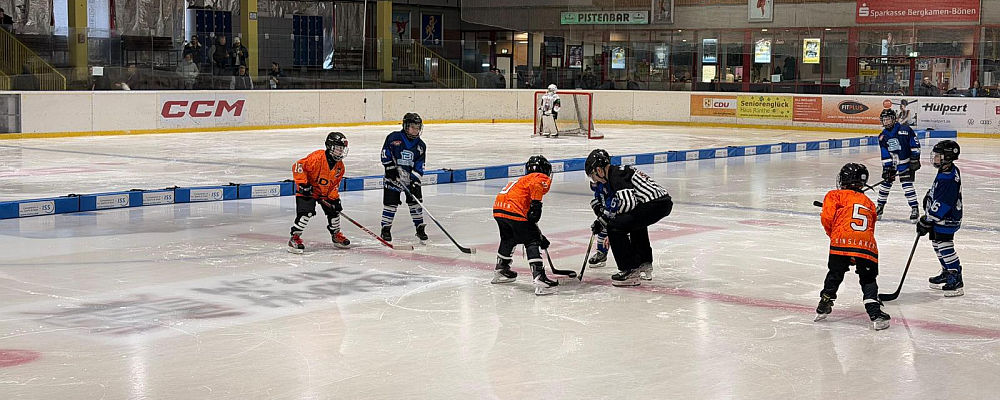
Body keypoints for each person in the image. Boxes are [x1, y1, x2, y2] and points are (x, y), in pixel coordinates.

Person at [814, 163, 891, 330]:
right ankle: (875, 313)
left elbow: (827, 218)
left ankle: (824, 304)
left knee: (835, 273)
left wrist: (835, 236)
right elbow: (871, 225)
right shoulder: (868, 202)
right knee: (868, 279)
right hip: (866, 244)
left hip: (840, 241)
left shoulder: (834, 195)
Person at [586, 149, 673, 287]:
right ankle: (643, 262)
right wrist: (602, 221)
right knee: (635, 223)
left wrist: (612, 228)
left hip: (655, 204)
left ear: (599, 170)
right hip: (661, 202)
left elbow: (628, 203)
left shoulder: (616, 176)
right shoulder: (618, 171)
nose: (594, 180)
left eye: (593, 176)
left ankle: (629, 270)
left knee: (615, 227)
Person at [491, 155, 557, 295]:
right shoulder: (537, 177)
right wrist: (536, 205)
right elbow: (537, 186)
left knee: (509, 239)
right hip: (514, 210)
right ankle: (539, 277)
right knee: (532, 240)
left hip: (499, 209)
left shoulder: (521, 181)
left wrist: (539, 234)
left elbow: (528, 220)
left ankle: (501, 269)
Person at [288, 132, 351, 253]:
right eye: (338, 148)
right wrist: (303, 184)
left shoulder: (340, 167)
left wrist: (334, 200)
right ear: (329, 146)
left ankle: (336, 235)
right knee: (306, 213)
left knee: (335, 211)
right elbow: (298, 166)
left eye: (342, 149)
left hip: (324, 193)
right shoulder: (317, 157)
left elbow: (333, 186)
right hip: (308, 190)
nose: (340, 152)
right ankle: (294, 238)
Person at [918, 140, 964, 297]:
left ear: (948, 157)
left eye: (939, 156)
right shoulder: (947, 170)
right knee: (937, 244)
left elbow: (943, 202)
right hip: (941, 218)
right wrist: (929, 196)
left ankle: (956, 278)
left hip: (947, 218)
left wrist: (927, 219)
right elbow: (938, 192)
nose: (935, 158)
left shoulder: (949, 178)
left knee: (945, 245)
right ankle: (947, 272)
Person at [380, 113, 428, 243]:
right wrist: (390, 168)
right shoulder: (393, 138)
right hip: (393, 178)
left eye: (418, 127)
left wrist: (415, 181)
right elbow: (385, 153)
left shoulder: (421, 146)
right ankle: (385, 229)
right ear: (406, 126)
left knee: (416, 204)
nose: (415, 130)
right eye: (413, 127)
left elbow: (420, 165)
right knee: (390, 204)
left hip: (410, 180)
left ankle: (419, 227)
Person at [876, 108, 921, 222]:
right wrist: (887, 168)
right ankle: (880, 207)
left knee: (907, 185)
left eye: (888, 119)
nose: (886, 122)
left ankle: (914, 208)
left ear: (894, 119)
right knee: (885, 185)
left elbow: (914, 143)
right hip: (892, 165)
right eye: (884, 120)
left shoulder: (905, 130)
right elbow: (885, 153)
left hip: (905, 163)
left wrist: (915, 158)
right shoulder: (882, 136)